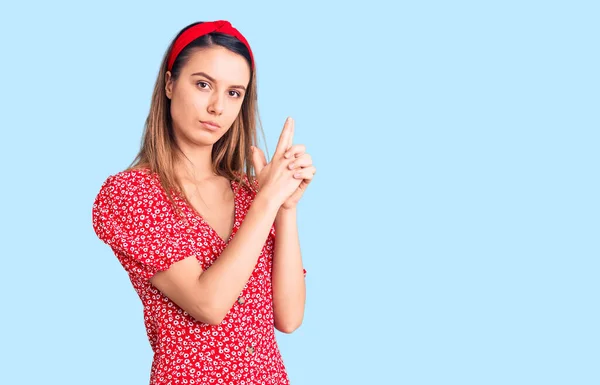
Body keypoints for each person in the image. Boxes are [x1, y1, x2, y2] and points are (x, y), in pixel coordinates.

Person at [92, 20, 316, 385]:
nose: (216, 107)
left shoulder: (249, 191)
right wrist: (267, 202)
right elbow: (208, 305)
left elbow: (288, 317)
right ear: (169, 84)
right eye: (203, 84)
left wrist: (285, 207)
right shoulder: (131, 194)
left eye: (233, 93)